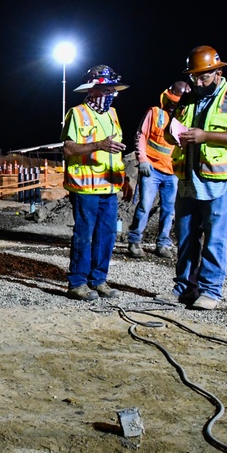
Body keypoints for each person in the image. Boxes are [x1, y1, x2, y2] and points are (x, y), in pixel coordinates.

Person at [158, 46, 227, 310]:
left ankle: (211, 291)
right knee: (187, 238)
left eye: (204, 76)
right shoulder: (189, 98)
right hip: (189, 180)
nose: (198, 82)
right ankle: (184, 288)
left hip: (222, 182)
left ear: (218, 72)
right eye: (194, 77)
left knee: (215, 238)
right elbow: (171, 132)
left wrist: (204, 136)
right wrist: (173, 134)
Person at [61, 65, 132, 301]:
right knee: (84, 234)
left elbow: (116, 150)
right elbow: (69, 148)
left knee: (107, 235)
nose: (111, 94)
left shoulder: (112, 114)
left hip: (109, 187)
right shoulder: (77, 113)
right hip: (85, 188)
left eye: (113, 90)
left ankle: (98, 280)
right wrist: (97, 145)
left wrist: (125, 179)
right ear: (93, 90)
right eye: (107, 89)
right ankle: (77, 283)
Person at [127, 81, 190, 259]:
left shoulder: (185, 120)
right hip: (152, 169)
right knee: (145, 206)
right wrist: (142, 159)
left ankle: (163, 244)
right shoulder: (154, 113)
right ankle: (134, 241)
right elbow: (141, 135)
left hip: (173, 172)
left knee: (169, 210)